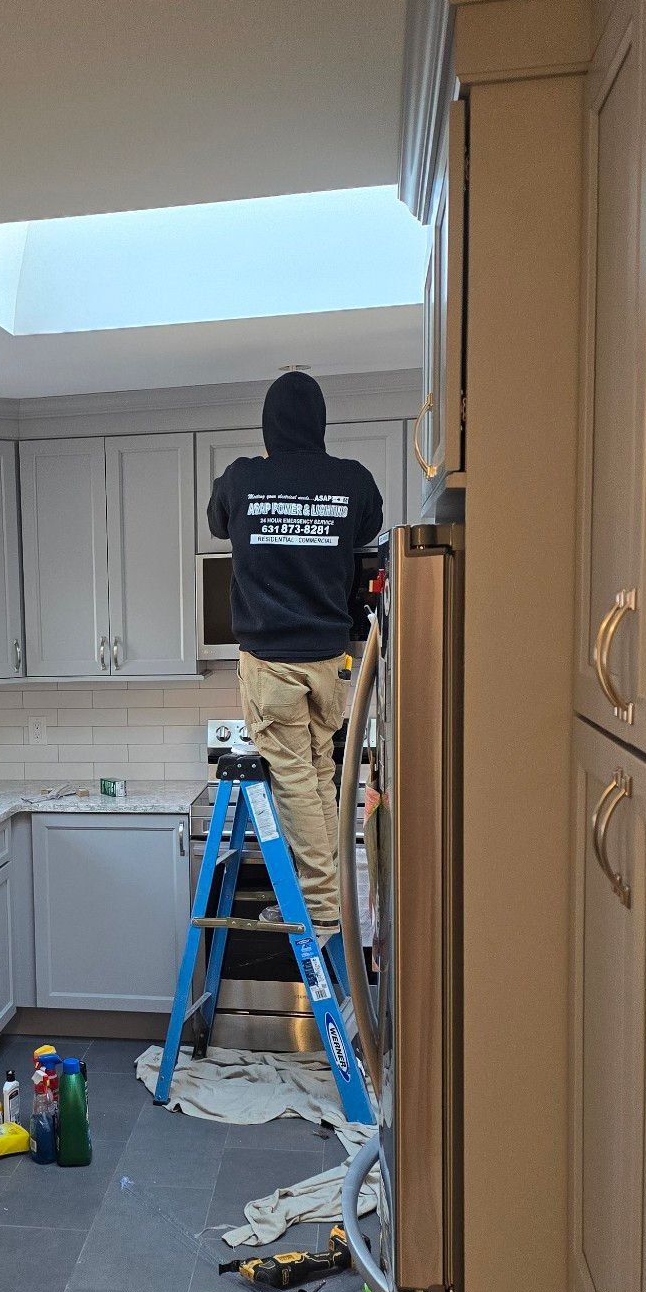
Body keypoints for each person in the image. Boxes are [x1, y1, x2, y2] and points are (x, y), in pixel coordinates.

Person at [207, 370, 383, 942]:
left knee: (294, 782)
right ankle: (332, 896)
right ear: (321, 422)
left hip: (271, 661)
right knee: (320, 774)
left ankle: (321, 906)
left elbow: (217, 522)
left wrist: (268, 475)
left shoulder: (243, 477)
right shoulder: (351, 479)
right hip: (333, 661)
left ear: (269, 425)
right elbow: (371, 526)